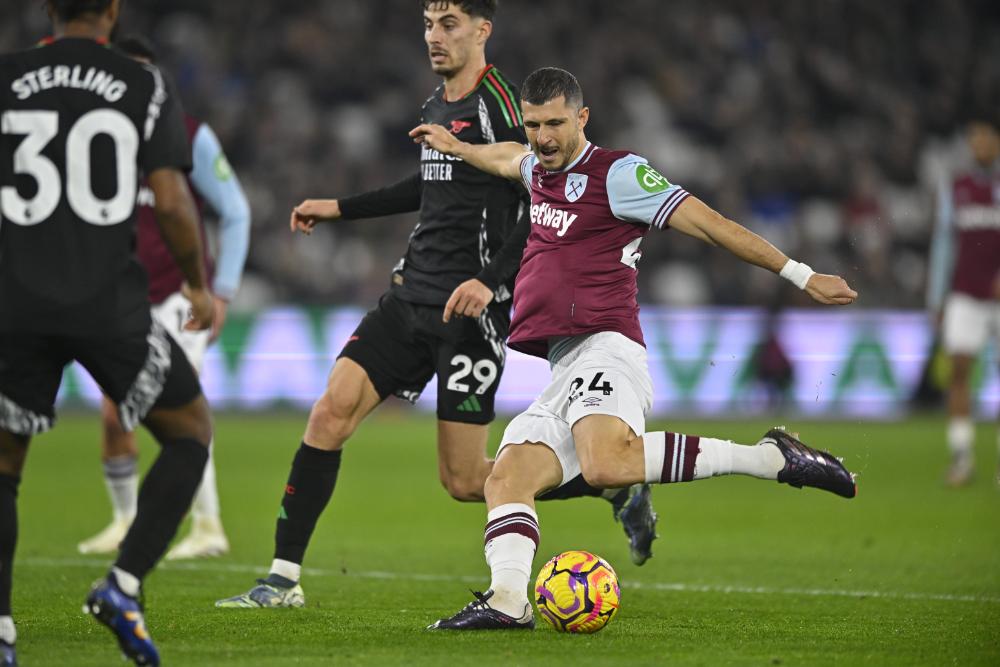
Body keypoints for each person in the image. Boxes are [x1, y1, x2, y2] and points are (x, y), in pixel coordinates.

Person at [217, 0, 656, 610]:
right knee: (328, 415)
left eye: (448, 25)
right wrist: (340, 207)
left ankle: (609, 488)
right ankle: (282, 579)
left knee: (462, 479)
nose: (434, 37)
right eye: (428, 24)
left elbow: (540, 203)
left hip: (473, 312)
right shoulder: (436, 105)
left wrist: (488, 280)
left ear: (483, 29)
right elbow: (428, 185)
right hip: (411, 295)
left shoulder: (504, 107)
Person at [409, 67, 859, 630]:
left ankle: (771, 458)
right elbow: (504, 157)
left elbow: (712, 224)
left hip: (607, 347)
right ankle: (507, 600)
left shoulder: (618, 174)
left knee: (606, 464)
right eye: (533, 125)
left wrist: (801, 274)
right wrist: (457, 146)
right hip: (563, 366)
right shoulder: (536, 166)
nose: (543, 137)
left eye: (555, 123)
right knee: (505, 477)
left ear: (582, 117)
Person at [0, 1, 215, 663]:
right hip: (108, 302)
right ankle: (123, 583)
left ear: (47, 9)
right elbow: (174, 201)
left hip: (15, 302)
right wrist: (197, 284)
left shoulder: (6, 78)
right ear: (113, 11)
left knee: (4, 469)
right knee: (189, 432)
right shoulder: (141, 83)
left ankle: (2, 629)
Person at [77, 35, 251, 560]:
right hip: (120, 297)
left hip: (179, 296)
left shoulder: (189, 135)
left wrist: (220, 292)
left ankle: (208, 525)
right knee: (113, 414)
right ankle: (125, 519)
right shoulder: (94, 141)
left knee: (183, 403)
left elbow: (236, 211)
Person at [926, 117, 1000, 487]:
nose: (980, 145)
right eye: (974, 139)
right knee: (958, 373)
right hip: (965, 294)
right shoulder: (956, 187)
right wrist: (936, 298)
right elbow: (943, 243)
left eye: (986, 138)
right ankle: (962, 458)